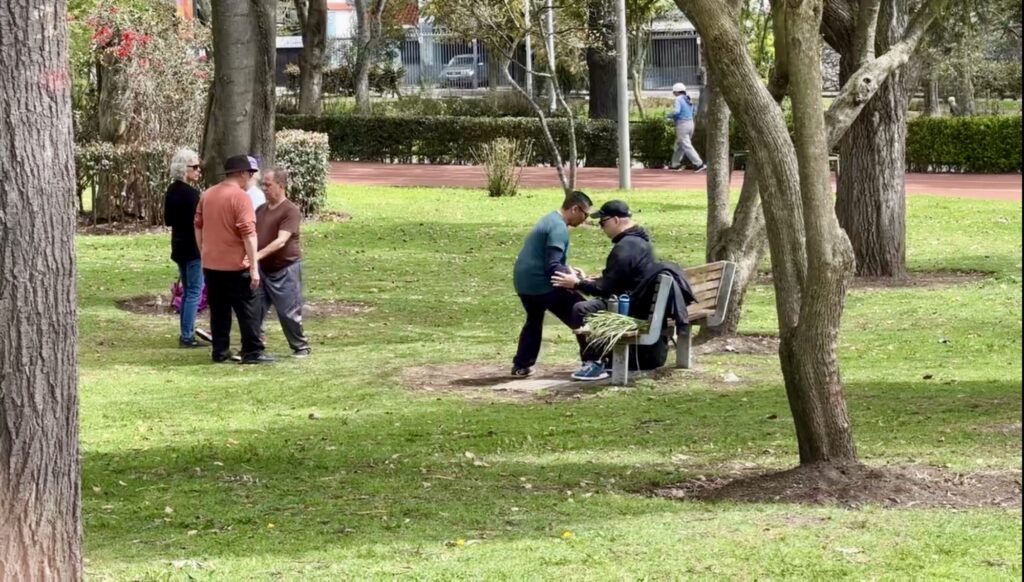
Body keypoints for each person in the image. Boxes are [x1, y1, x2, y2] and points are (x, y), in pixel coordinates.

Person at [552, 200, 657, 380]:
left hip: (630, 308)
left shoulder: (625, 248)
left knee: (580, 309)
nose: (602, 228)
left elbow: (607, 288)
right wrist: (587, 280)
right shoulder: (639, 242)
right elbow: (618, 279)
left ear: (616, 220)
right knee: (588, 306)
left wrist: (577, 283)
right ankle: (600, 359)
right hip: (641, 302)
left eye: (603, 223)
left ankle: (594, 362)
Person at [194, 154, 273, 364]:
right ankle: (252, 351)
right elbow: (249, 234)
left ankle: (220, 351)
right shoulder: (241, 197)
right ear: (241, 173)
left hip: (212, 265)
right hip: (237, 266)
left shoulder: (207, 195)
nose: (251, 178)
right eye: (250, 173)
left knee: (219, 311)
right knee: (249, 309)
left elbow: (198, 226)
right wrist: (254, 267)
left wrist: (204, 252)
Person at [511, 191, 595, 378]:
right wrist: (577, 281)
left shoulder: (548, 219)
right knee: (582, 312)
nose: (585, 220)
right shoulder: (559, 228)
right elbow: (552, 266)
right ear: (574, 209)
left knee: (534, 320)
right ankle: (592, 362)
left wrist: (569, 270)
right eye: (585, 214)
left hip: (524, 283)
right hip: (541, 284)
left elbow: (548, 259)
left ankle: (521, 365)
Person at [256, 168, 311, 358]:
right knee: (255, 309)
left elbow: (281, 241)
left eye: (268, 185)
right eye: (263, 184)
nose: (264, 188)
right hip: (263, 270)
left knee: (288, 312)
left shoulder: (290, 211)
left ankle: (300, 346)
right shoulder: (261, 210)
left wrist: (256, 255)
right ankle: (255, 345)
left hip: (285, 269)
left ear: (280, 185)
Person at [163, 148, 210, 347]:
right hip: (193, 248)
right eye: (195, 167)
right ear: (184, 169)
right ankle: (187, 335)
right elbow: (201, 222)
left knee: (189, 289)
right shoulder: (192, 195)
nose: (199, 171)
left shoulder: (172, 191)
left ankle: (185, 331)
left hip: (179, 245)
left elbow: (168, 219)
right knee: (194, 291)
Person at [667, 82, 706, 172]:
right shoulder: (688, 98)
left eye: (673, 92)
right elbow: (694, 111)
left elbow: (676, 111)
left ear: (676, 92)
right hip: (691, 123)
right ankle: (675, 164)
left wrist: (668, 115)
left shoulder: (678, 99)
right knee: (679, 144)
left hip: (682, 125)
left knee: (686, 145)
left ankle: (698, 164)